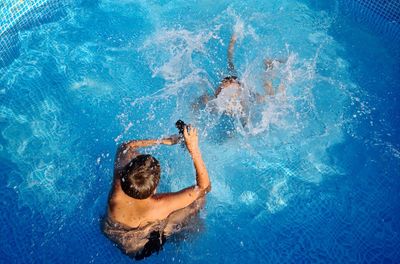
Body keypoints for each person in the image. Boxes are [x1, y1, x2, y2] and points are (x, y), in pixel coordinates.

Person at [102, 125, 211, 260]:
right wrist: (193, 149)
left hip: (112, 233)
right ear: (154, 190)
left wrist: (164, 140)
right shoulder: (161, 204)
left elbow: (126, 147)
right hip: (141, 247)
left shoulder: (117, 187)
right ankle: (182, 240)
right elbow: (204, 188)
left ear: (126, 173)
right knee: (197, 202)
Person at [193, 34, 287, 119]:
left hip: (241, 94)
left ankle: (269, 68)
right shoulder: (216, 98)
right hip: (237, 92)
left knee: (269, 98)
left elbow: (197, 104)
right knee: (230, 64)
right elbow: (196, 104)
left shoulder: (242, 98)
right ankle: (269, 68)